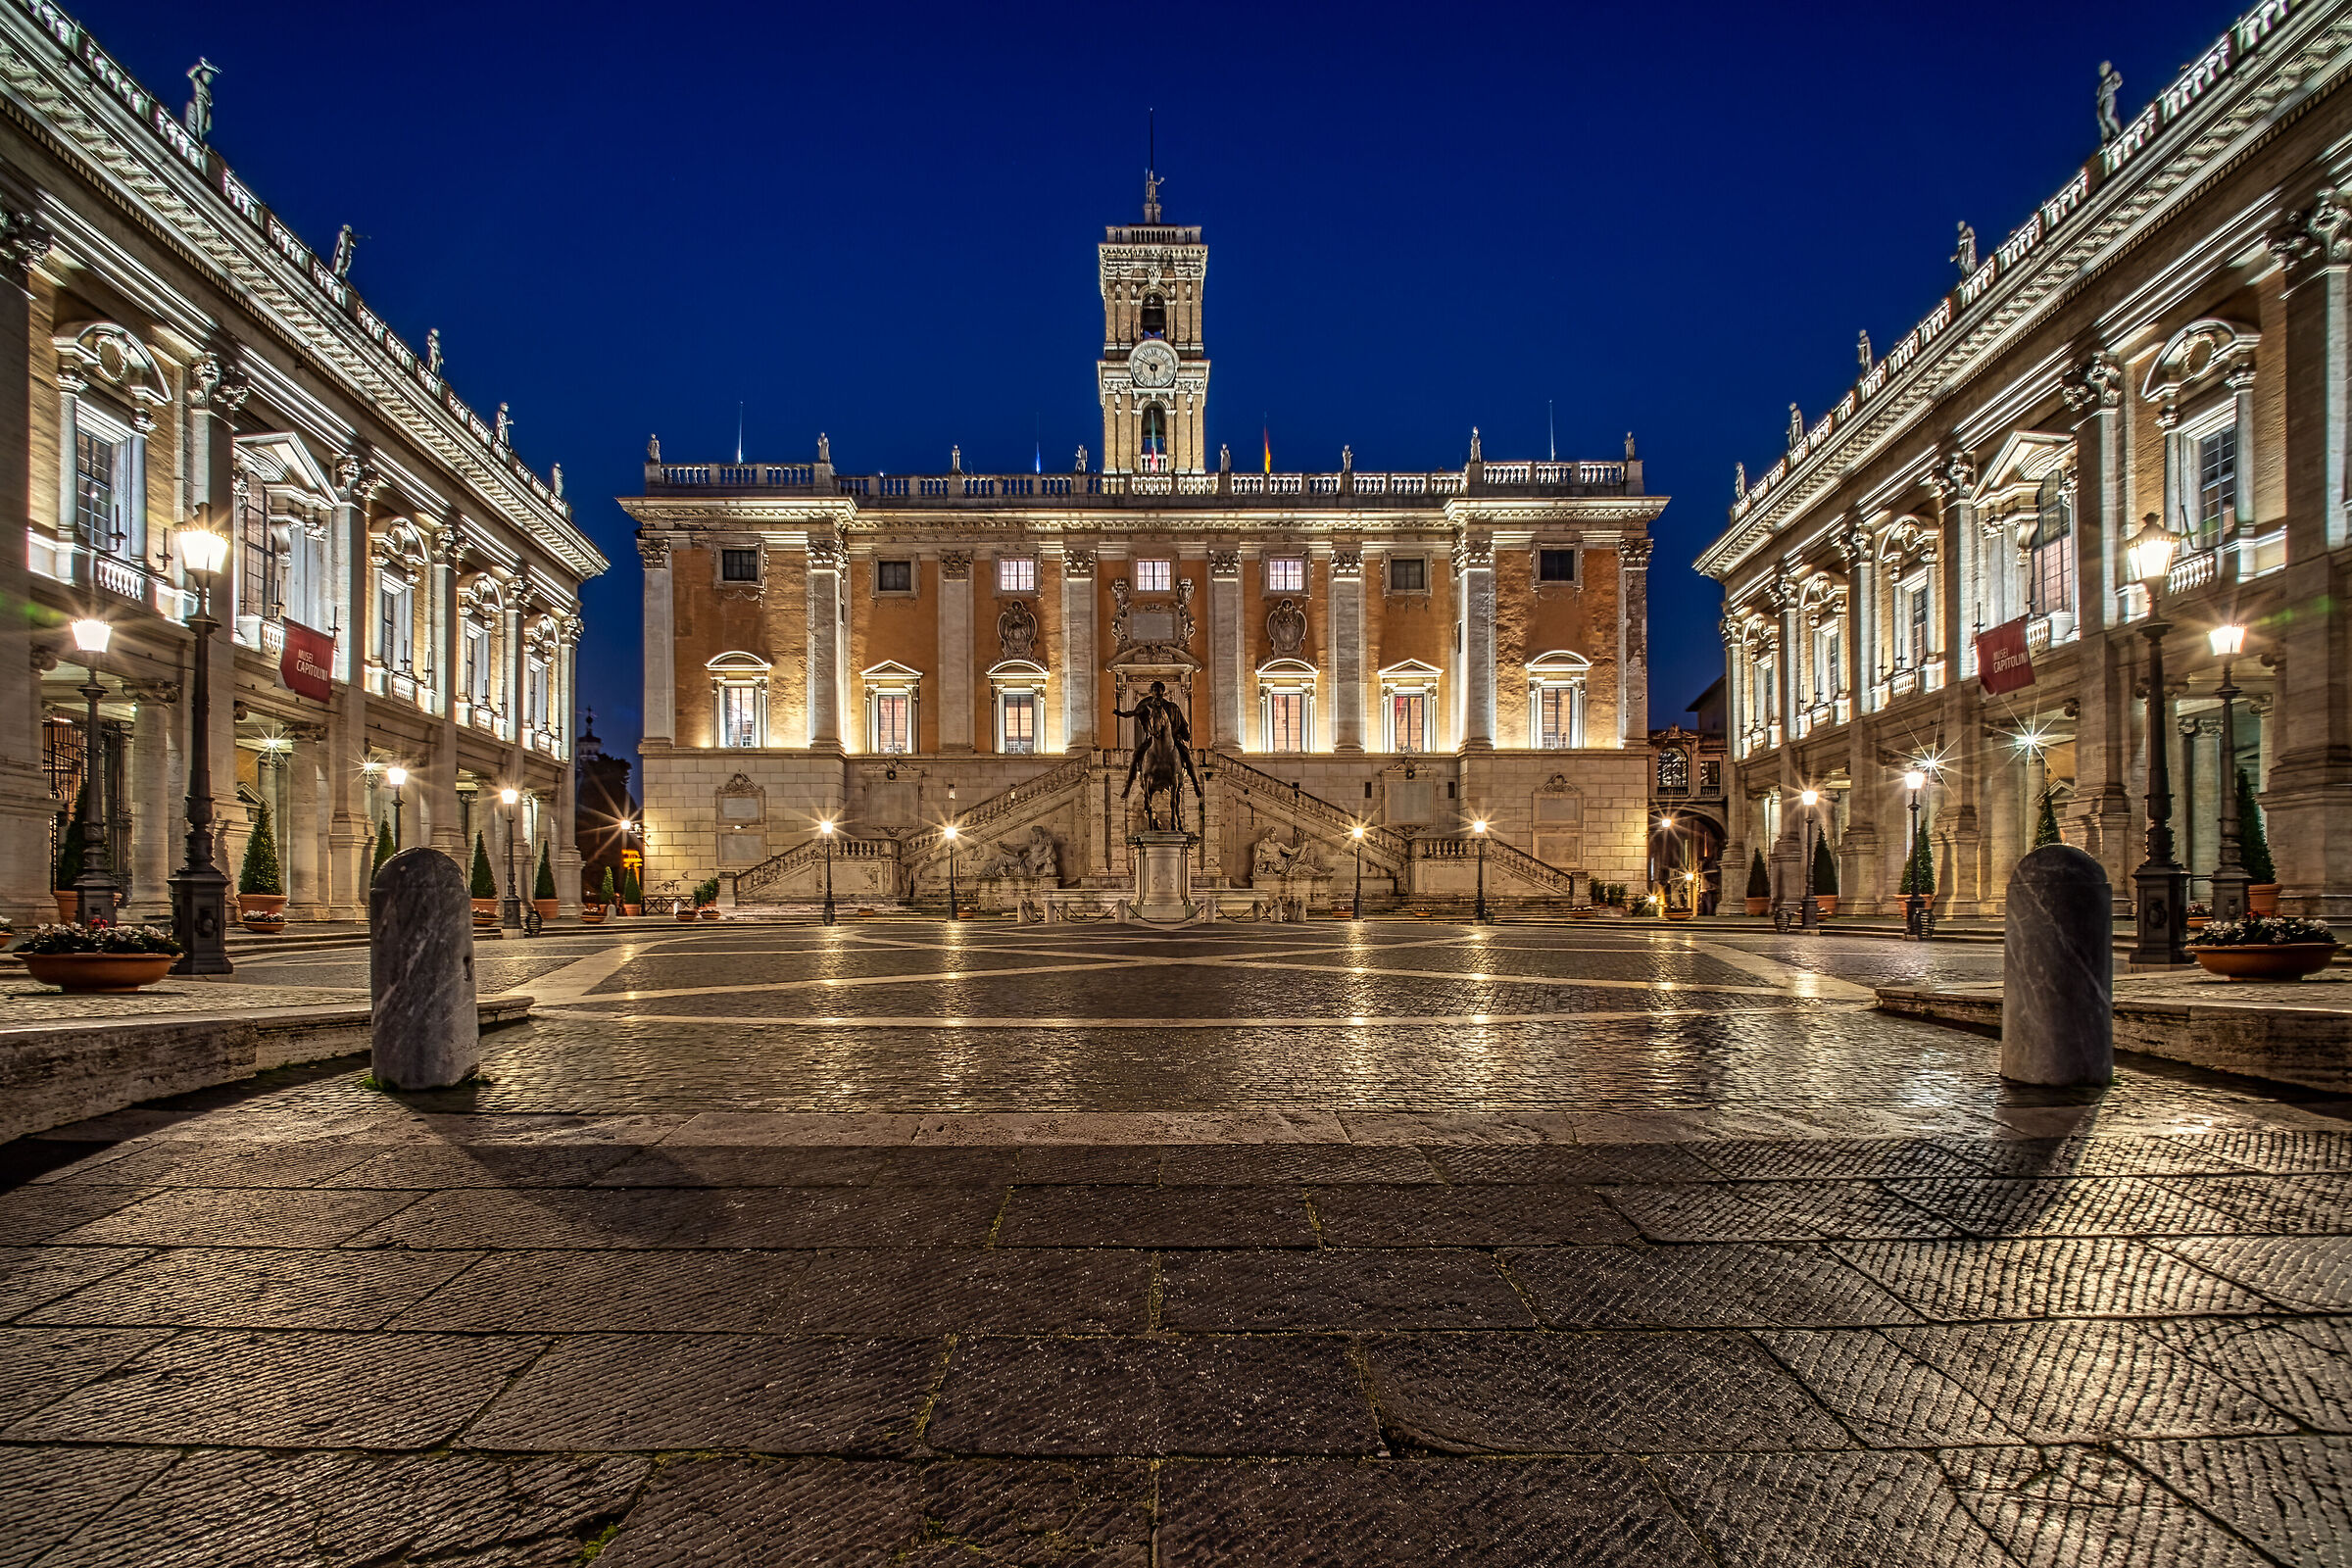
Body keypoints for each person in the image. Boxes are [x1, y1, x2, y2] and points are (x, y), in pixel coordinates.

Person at [1113, 680, 1202, 802]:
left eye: (1159, 692)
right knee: (1136, 755)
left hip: (1172, 739)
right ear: (1152, 692)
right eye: (1155, 691)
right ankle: (1128, 787)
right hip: (1152, 738)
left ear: (1163, 692)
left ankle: (1196, 784)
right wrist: (1122, 714)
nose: (1157, 694)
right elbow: (1134, 712)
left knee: (1186, 754)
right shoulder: (1146, 704)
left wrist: (1185, 734)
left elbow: (1182, 721)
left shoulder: (1172, 707)